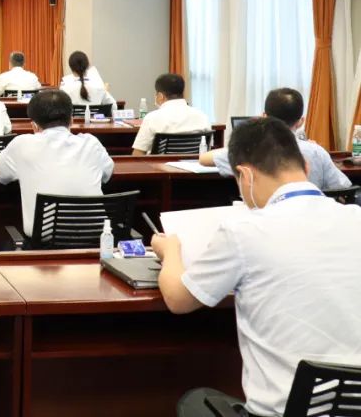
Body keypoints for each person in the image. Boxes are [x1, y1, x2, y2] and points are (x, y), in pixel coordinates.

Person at [153, 118, 361, 417]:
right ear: (306, 166)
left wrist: (170, 252)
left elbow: (178, 299)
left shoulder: (244, 231)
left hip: (281, 412)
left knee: (195, 401)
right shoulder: (355, 217)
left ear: (245, 175)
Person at [0, 89, 114, 236]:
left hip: (44, 243)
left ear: (34, 126)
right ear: (71, 120)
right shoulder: (91, 143)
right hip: (96, 241)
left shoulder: (22, 144)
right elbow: (108, 173)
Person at [199, 88, 352, 192]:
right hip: (310, 224)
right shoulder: (317, 152)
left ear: (264, 117)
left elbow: (204, 159)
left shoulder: (249, 150)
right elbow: (344, 188)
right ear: (301, 121)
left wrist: (235, 146)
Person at [132, 73, 211, 155]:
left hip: (161, 163)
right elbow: (208, 149)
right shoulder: (202, 116)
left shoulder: (152, 118)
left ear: (160, 96)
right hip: (193, 163)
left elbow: (138, 154)